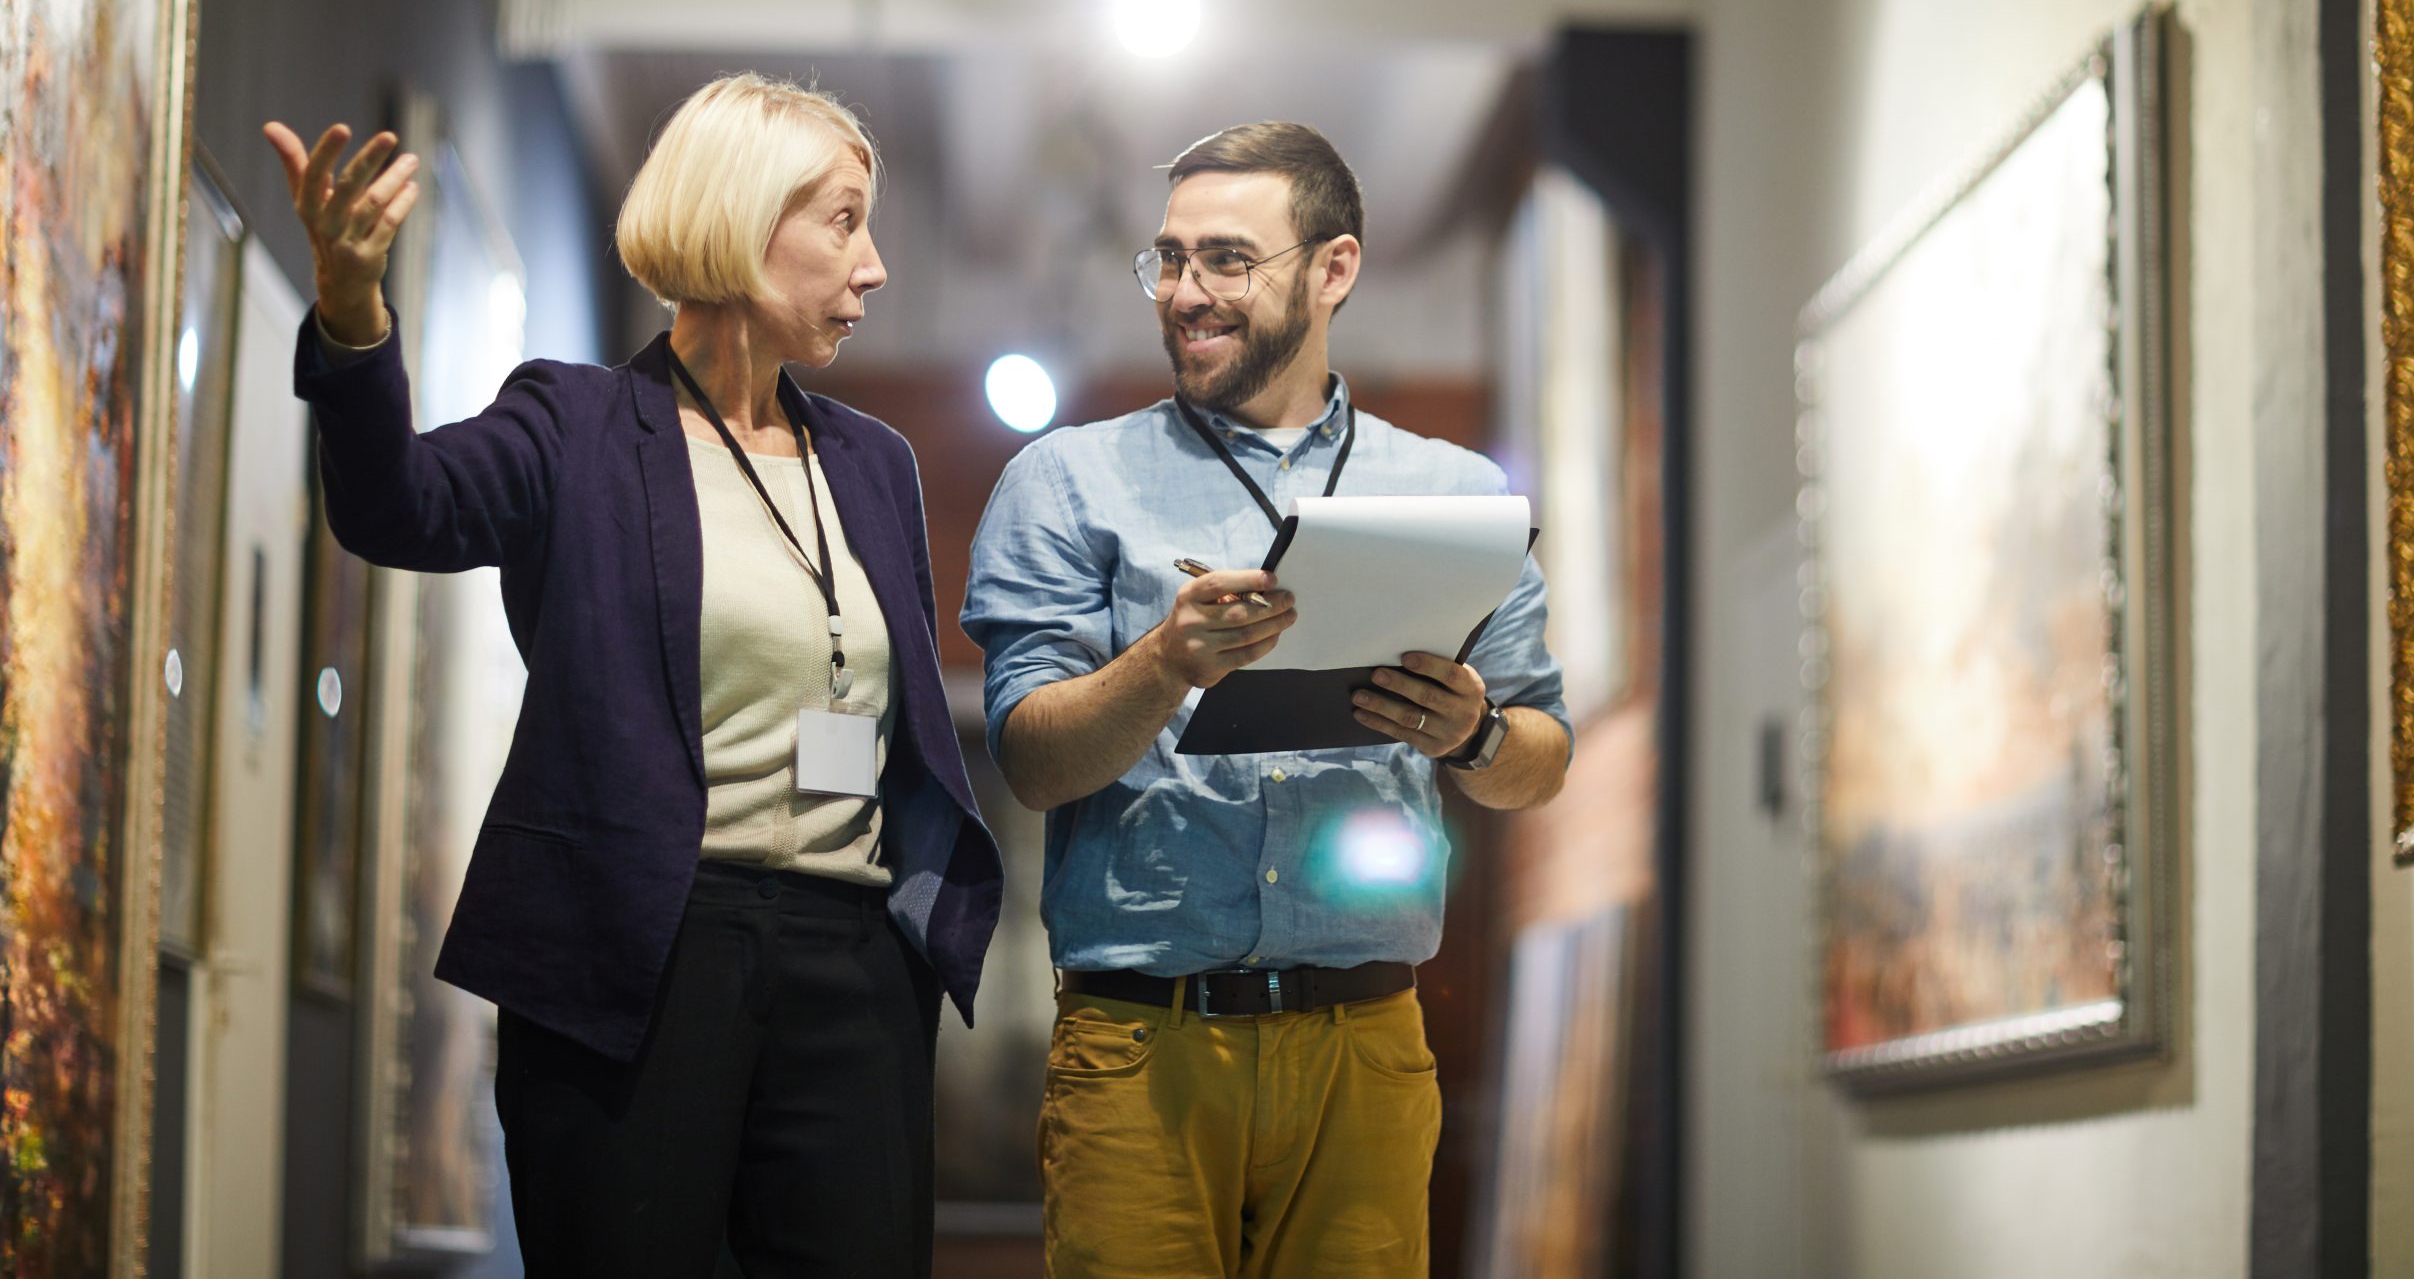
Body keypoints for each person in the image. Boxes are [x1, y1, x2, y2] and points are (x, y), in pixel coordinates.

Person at [267, 73, 1000, 1277]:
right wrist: (353, 314)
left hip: (853, 960)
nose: (873, 268)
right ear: (739, 218)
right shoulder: (576, 422)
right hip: (640, 952)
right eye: (843, 221)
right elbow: (398, 509)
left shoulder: (875, 463)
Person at [961, 121, 1571, 1277]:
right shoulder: (1066, 479)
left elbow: (1542, 756)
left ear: (1333, 268)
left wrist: (1475, 731)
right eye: (1169, 259)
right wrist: (1164, 666)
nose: (1187, 292)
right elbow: (1031, 761)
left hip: (1367, 1044)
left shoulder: (1451, 491)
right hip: (1140, 1047)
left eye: (1228, 259)